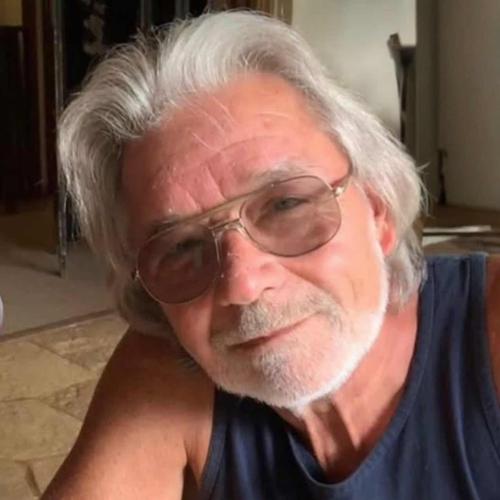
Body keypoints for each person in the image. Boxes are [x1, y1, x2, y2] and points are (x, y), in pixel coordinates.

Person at [42, 11, 500, 500]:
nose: (243, 284)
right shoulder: (167, 366)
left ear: (377, 209)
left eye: (286, 205)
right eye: (182, 246)